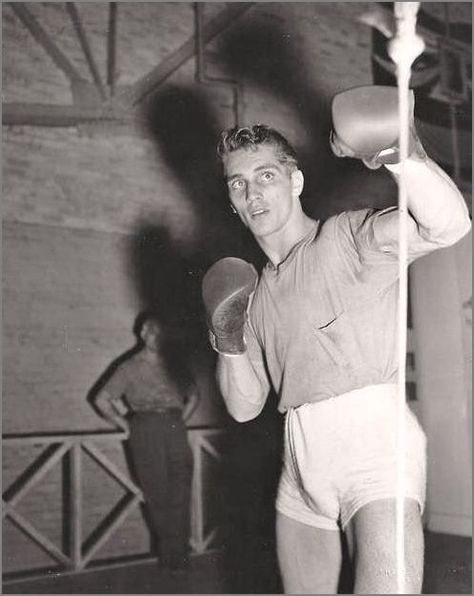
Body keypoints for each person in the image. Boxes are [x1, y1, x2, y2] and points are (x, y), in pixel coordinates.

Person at [201, 86, 471, 593]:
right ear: (232, 202)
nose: (253, 193)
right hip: (301, 469)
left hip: (375, 457)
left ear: (296, 180)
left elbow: (450, 225)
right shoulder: (253, 295)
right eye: (238, 184)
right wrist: (227, 337)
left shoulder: (348, 239)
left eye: (266, 176)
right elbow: (244, 406)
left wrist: (402, 159)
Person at [94, 311, 199, 572]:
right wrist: (127, 425)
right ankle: (169, 555)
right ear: (143, 334)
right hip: (145, 427)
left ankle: (181, 553)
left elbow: (194, 396)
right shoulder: (129, 367)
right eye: (152, 332)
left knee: (181, 488)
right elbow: (101, 399)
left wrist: (179, 421)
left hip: (175, 426)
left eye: (162, 334)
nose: (157, 338)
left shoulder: (175, 365)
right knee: (157, 492)